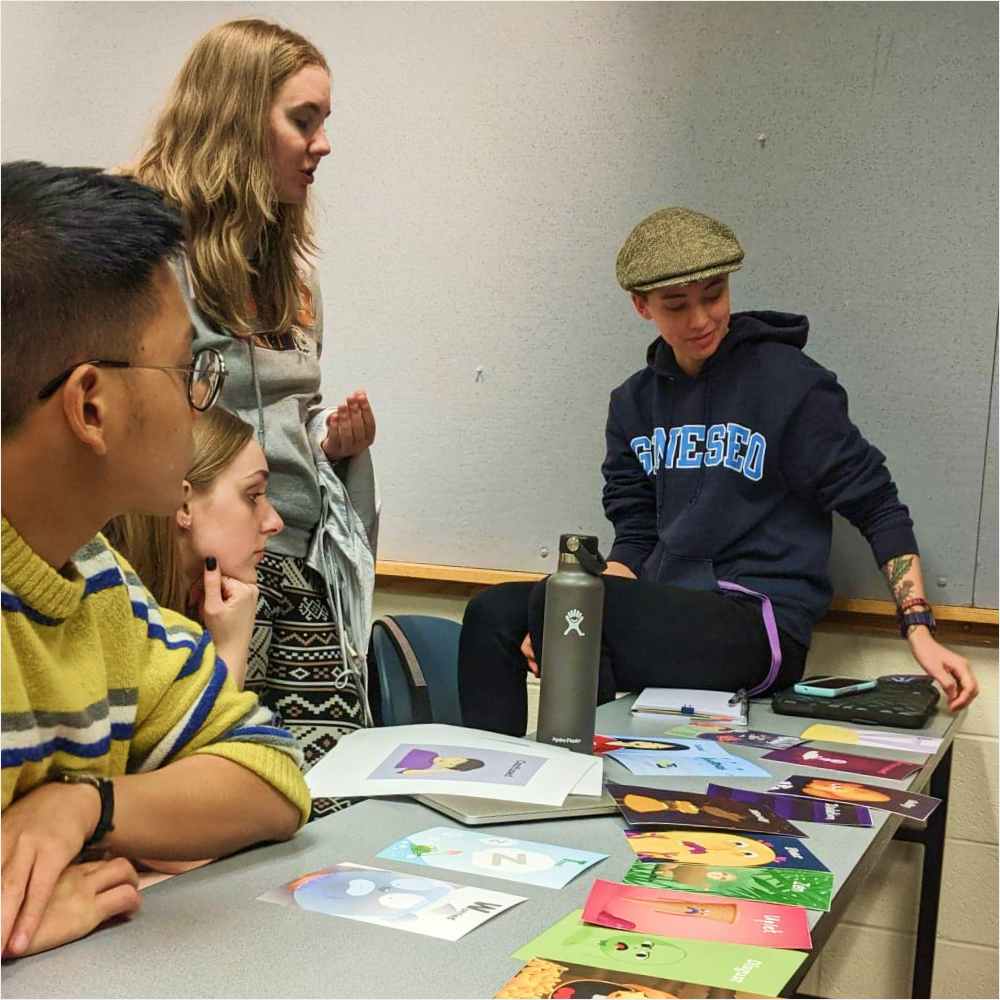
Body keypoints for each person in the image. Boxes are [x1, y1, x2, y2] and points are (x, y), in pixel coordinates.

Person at [459, 206, 978, 736]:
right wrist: (565, 611)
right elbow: (635, 537)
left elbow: (877, 504)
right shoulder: (633, 403)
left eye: (714, 294)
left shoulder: (791, 386)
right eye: (676, 305)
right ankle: (493, 783)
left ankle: (578, 773)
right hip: (667, 610)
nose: (701, 319)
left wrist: (918, 629)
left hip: (760, 629)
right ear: (642, 306)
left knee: (564, 602)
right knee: (495, 613)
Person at [1, 161, 312, 958]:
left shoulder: (94, 577)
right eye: (185, 370)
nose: (198, 399)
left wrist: (86, 807)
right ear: (91, 405)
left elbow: (271, 776)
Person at [130, 19, 379, 816]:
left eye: (324, 121)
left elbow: (276, 437)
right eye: (303, 120)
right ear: (237, 120)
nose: (324, 143)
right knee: (212, 800)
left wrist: (334, 449)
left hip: (297, 564)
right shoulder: (143, 261)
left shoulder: (288, 282)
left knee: (316, 799)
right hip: (187, 572)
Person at [107, 406, 284, 689]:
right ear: (183, 503)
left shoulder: (212, 612)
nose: (274, 522)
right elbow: (211, 734)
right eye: (253, 496)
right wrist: (231, 651)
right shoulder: (114, 617)